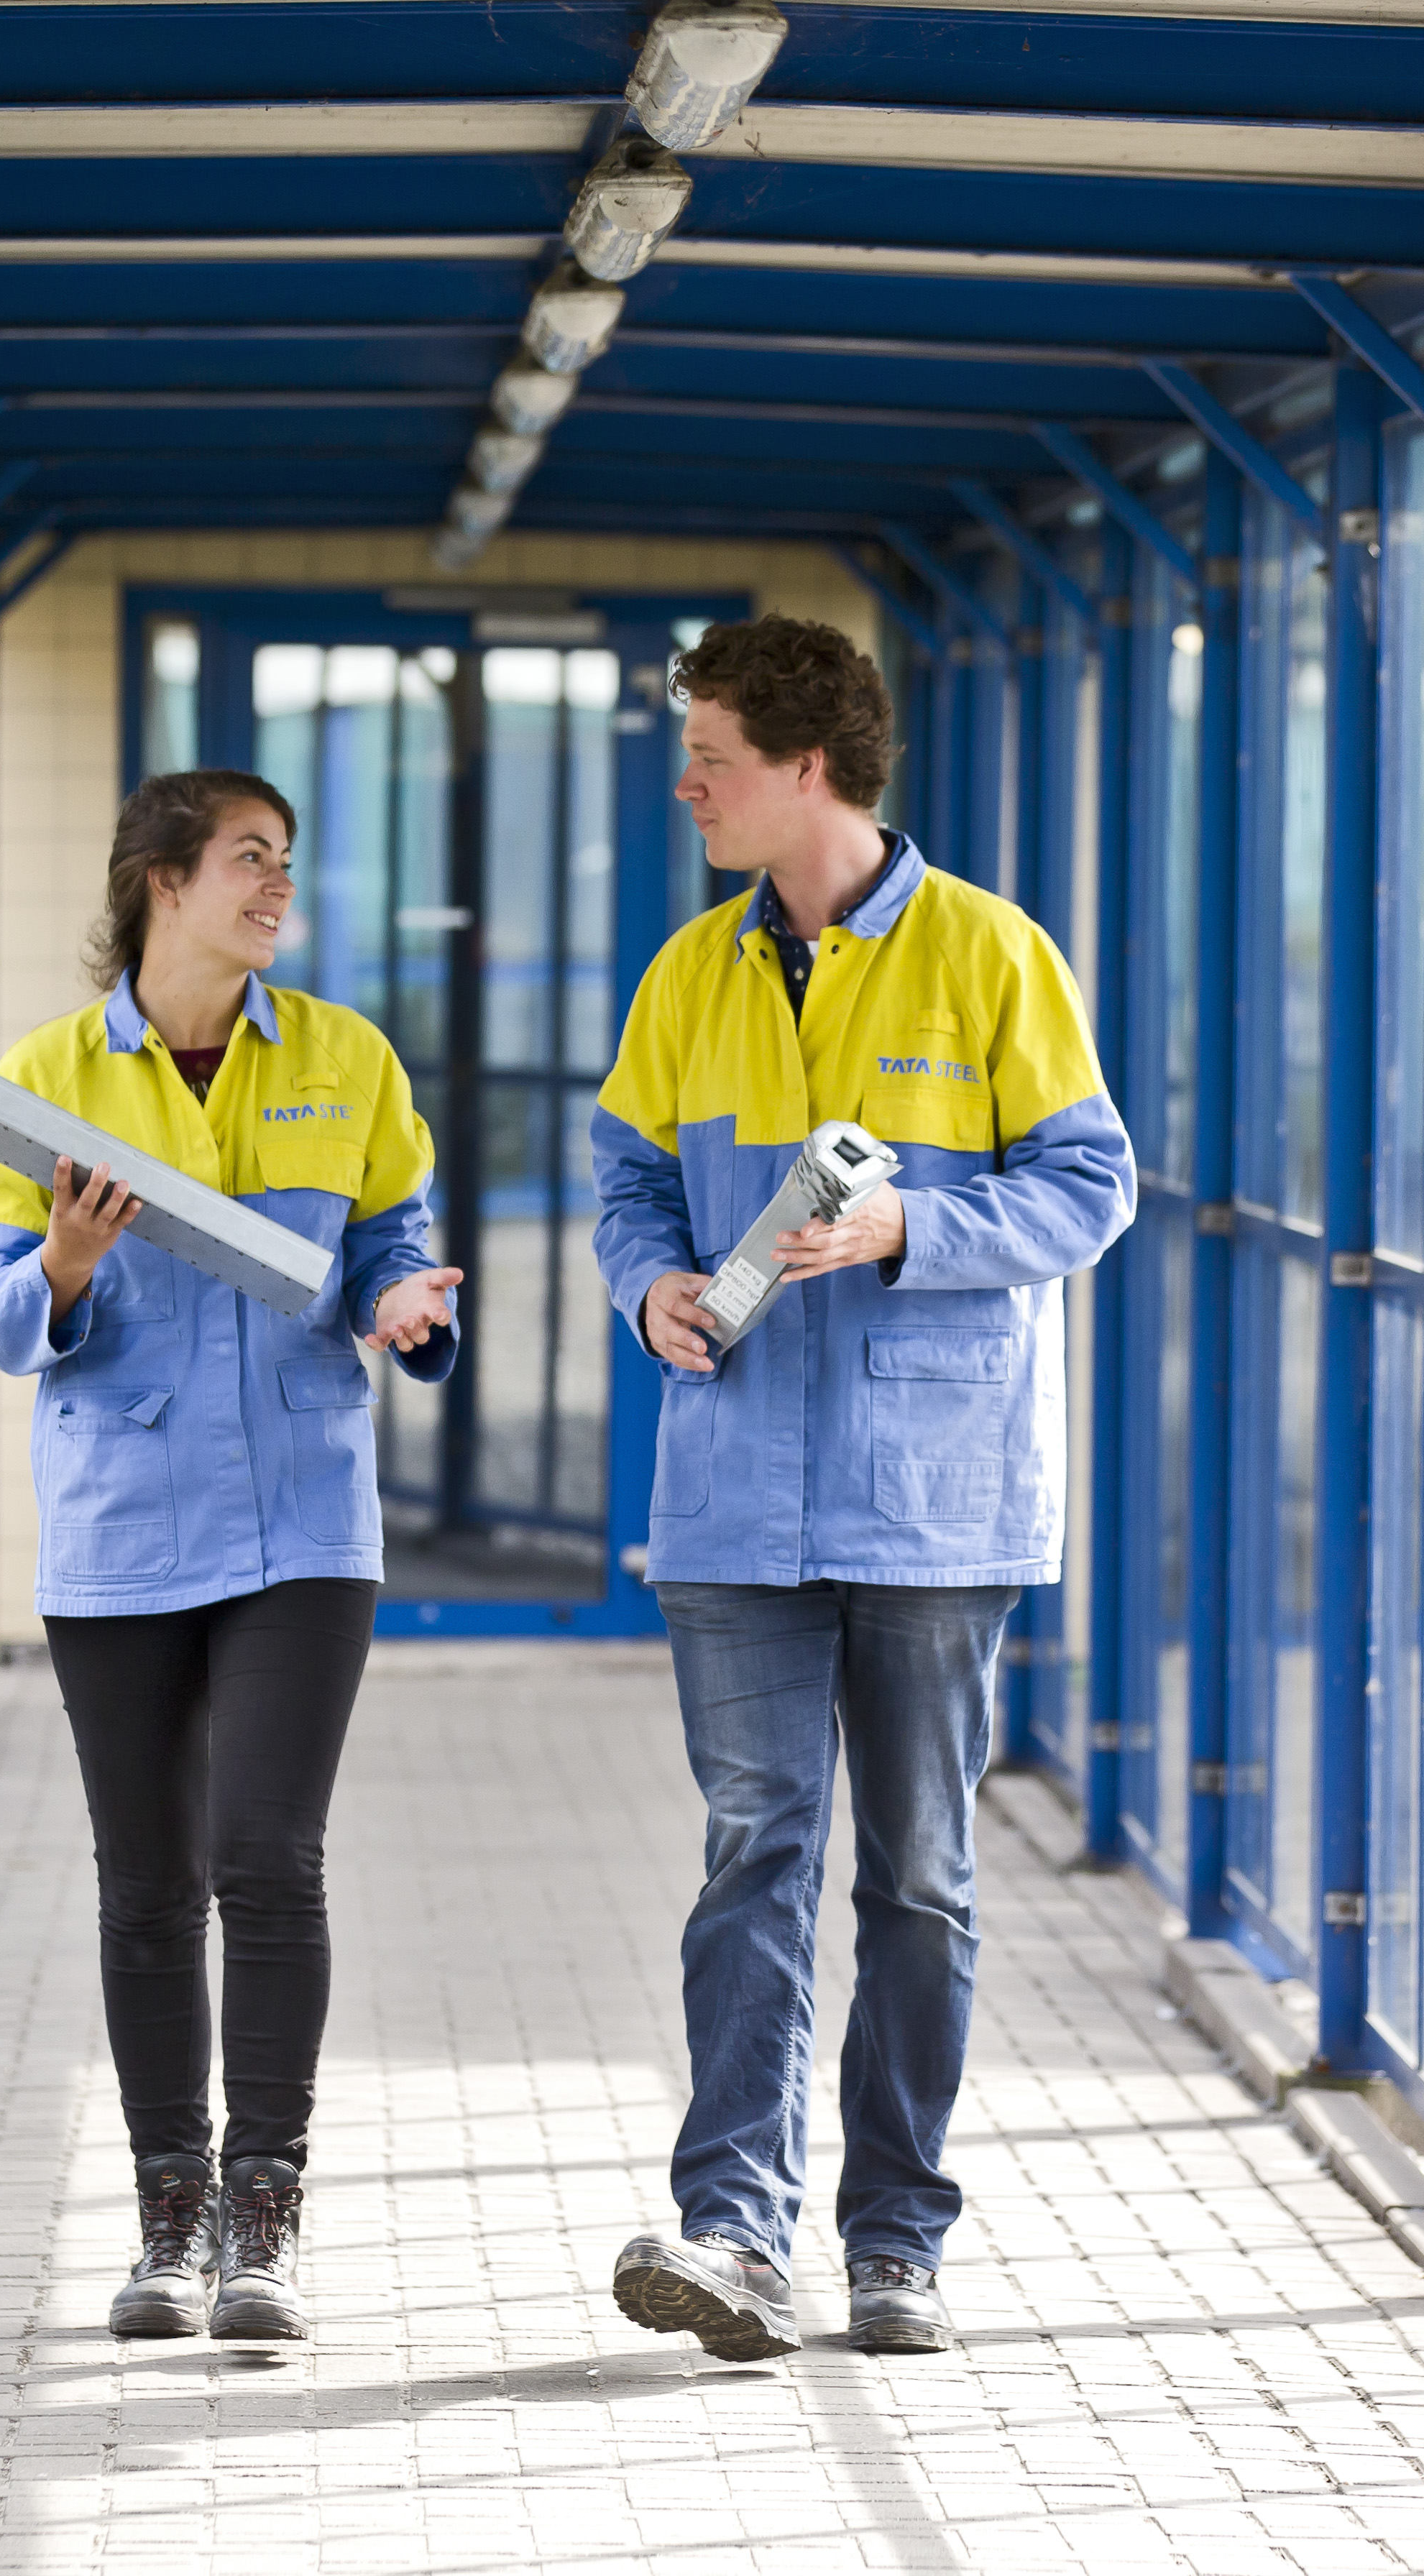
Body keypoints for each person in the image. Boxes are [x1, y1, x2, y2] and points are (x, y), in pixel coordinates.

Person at [587, 617, 1135, 2359]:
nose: (688, 783)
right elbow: (623, 1180)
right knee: (755, 1852)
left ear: (808, 766)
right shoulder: (688, 974)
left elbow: (1091, 1186)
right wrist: (648, 1284)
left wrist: (913, 1225)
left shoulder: (990, 956)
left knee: (921, 1875)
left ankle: (896, 2240)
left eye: (714, 757)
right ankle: (733, 2234)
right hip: (738, 1496)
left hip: (935, 1493)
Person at [0, 768, 461, 2346]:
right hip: (121, 1527)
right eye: (249, 860)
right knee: (151, 1883)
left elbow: (396, 1236)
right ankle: (168, 2213)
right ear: (160, 880)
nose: (277, 888)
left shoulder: (345, 1059)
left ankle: (265, 2216)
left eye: (285, 862)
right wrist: (67, 1262)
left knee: (268, 1857)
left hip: (305, 1510)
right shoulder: (39, 1086)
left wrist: (404, 1303)